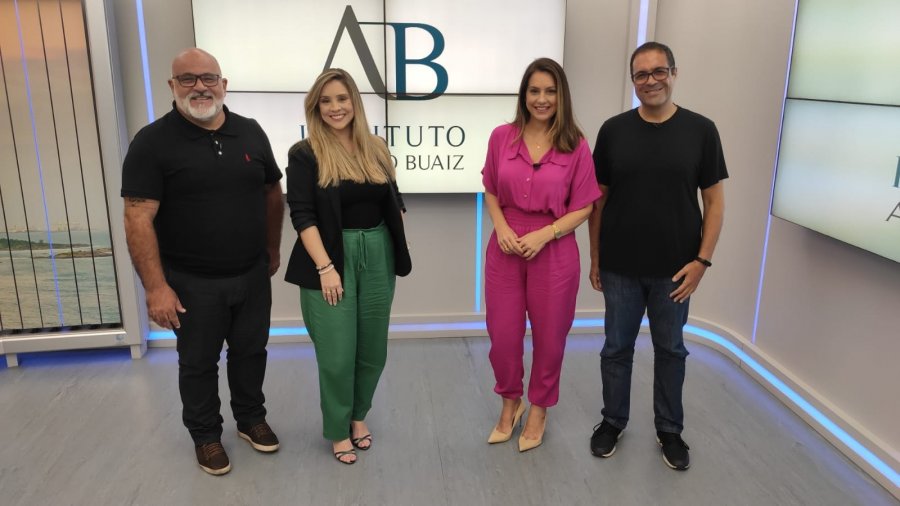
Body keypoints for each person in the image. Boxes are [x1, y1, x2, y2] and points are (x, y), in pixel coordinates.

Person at [121, 48, 284, 476]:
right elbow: (137, 217)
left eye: (208, 78)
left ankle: (250, 419)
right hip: (190, 282)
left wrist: (272, 248)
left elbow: (272, 191)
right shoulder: (151, 142)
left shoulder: (250, 132)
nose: (199, 87)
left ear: (223, 84)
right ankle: (206, 435)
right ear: (172, 86)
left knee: (251, 352)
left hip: (251, 274)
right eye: (188, 79)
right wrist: (156, 287)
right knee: (197, 363)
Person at [588, 42, 727, 470]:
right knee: (616, 349)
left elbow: (714, 203)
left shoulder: (701, 131)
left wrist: (702, 262)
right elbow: (597, 202)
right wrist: (595, 258)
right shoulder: (613, 131)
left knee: (671, 351)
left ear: (673, 73)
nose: (650, 81)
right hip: (619, 268)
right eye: (641, 74)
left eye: (658, 71)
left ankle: (669, 430)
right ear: (633, 81)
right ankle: (612, 421)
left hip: (676, 271)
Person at [284, 69, 411, 465]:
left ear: (354, 101)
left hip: (377, 253)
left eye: (342, 98)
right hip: (329, 258)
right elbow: (302, 215)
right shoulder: (305, 153)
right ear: (315, 107)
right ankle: (338, 430)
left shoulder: (376, 147)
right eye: (326, 101)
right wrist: (326, 268)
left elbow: (392, 201)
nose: (335, 107)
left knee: (373, 349)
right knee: (337, 354)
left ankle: (358, 416)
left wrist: (395, 243)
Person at [482, 58, 601, 452]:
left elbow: (585, 206)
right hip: (506, 247)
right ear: (524, 95)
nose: (542, 99)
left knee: (550, 339)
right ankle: (510, 401)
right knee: (503, 335)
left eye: (550, 91)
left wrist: (545, 234)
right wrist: (501, 226)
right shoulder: (501, 137)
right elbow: (491, 190)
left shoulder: (576, 144)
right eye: (534, 90)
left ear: (561, 96)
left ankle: (539, 408)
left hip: (554, 248)